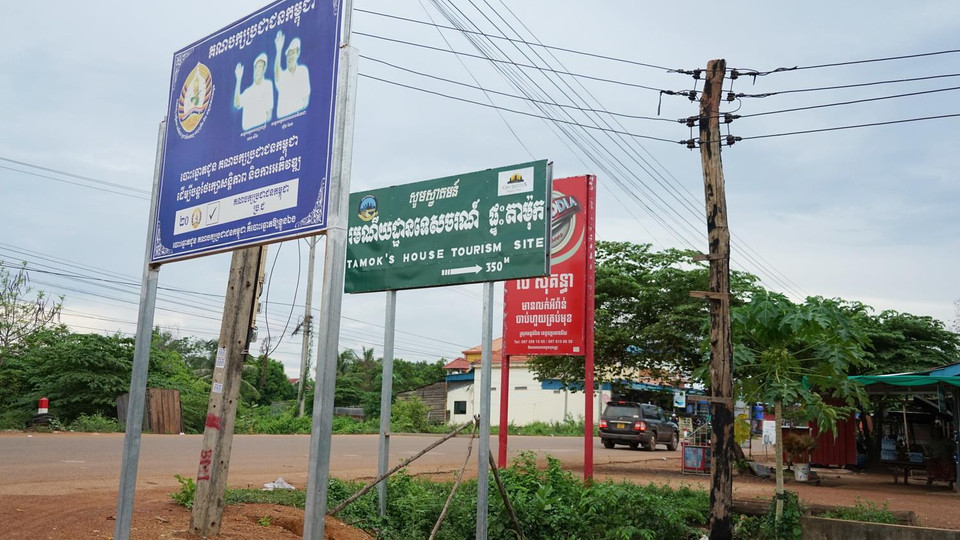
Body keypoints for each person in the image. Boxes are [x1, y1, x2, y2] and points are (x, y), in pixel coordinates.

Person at [273, 30, 311, 118]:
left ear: (297, 54)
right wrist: (279, 50)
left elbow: (306, 96)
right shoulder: (283, 75)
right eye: (289, 54)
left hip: (298, 117)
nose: (290, 57)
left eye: (293, 53)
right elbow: (277, 72)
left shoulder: (302, 71)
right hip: (282, 120)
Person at [234, 53, 274, 131]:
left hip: (262, 131)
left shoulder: (268, 85)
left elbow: (269, 114)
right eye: (256, 68)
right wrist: (238, 80)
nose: (257, 70)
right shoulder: (248, 91)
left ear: (264, 69)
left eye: (260, 67)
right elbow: (237, 103)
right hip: (247, 134)